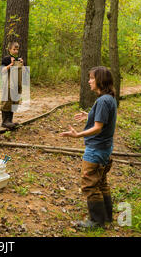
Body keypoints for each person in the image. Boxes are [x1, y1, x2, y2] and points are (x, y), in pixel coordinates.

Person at [60, 66, 117, 228]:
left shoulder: (103, 101)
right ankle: (106, 217)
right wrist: (89, 115)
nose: (89, 81)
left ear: (100, 81)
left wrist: (77, 135)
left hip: (97, 149)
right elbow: (103, 120)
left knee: (90, 183)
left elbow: (98, 127)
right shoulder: (108, 98)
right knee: (101, 182)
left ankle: (96, 221)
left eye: (92, 78)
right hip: (105, 148)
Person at [0, 42, 24, 129]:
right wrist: (10, 64)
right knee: (7, 101)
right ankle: (5, 121)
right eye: (14, 49)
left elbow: (23, 71)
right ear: (9, 49)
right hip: (8, 84)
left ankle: (10, 120)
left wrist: (22, 63)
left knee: (14, 101)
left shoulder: (18, 59)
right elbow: (2, 70)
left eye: (17, 49)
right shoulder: (6, 59)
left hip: (16, 84)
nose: (16, 51)